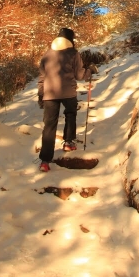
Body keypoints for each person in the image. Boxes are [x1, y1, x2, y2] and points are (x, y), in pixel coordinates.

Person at [37, 27, 93, 172]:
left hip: (49, 94)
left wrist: (41, 94)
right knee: (70, 115)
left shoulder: (47, 54)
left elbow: (42, 78)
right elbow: (80, 75)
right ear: (71, 39)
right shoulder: (74, 53)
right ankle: (68, 142)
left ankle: (45, 161)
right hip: (68, 92)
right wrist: (90, 71)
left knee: (49, 125)